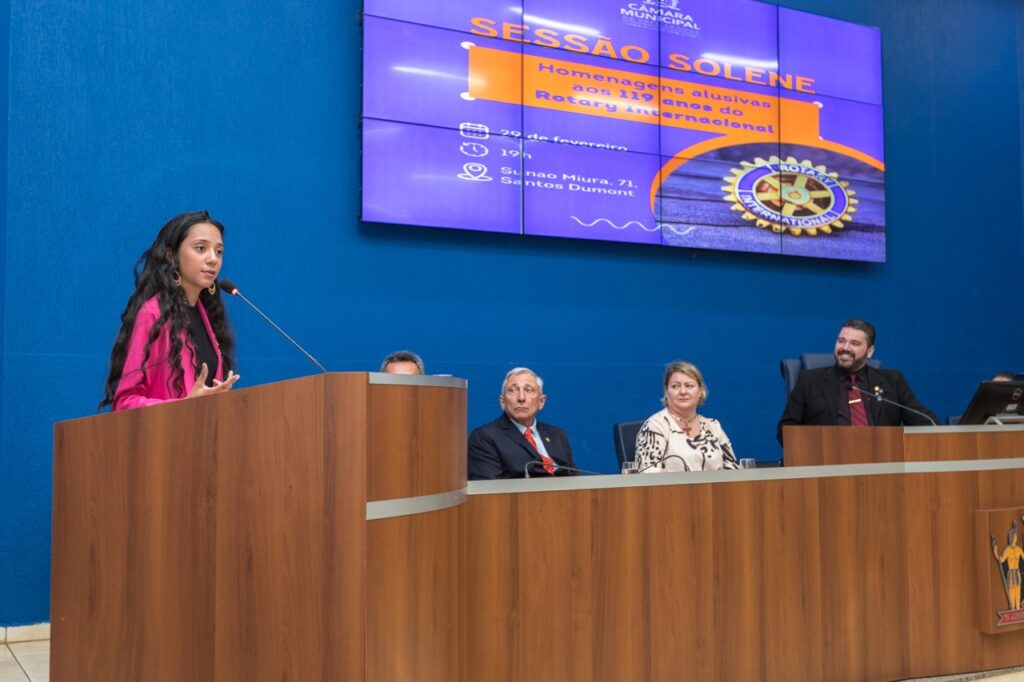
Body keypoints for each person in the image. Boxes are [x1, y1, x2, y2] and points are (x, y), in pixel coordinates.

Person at [100, 210, 240, 411]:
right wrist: (183, 406)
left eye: (219, 251)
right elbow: (125, 402)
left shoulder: (208, 316)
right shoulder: (153, 315)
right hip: (164, 439)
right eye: (201, 248)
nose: (213, 259)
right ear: (171, 255)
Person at [777, 319, 936, 444]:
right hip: (826, 466)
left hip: (881, 464)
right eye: (841, 341)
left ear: (870, 351)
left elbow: (925, 421)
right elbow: (785, 431)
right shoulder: (809, 380)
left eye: (854, 343)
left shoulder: (892, 381)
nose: (845, 347)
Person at [468, 367, 576, 479]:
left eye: (528, 390)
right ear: (502, 402)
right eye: (513, 390)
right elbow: (488, 489)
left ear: (541, 402)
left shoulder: (557, 435)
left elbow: (574, 480)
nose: (521, 398)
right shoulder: (485, 437)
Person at [634, 361, 737, 472]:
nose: (683, 391)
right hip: (671, 489)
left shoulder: (713, 426)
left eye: (689, 386)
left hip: (715, 489)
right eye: (675, 386)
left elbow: (732, 468)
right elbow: (647, 475)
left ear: (700, 390)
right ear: (666, 391)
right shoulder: (655, 426)